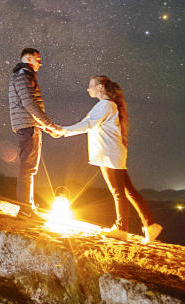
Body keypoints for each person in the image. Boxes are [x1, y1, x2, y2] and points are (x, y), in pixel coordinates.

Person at [55, 76, 163, 244]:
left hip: (110, 155)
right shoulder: (105, 105)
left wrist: (62, 131)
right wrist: (63, 131)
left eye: (90, 86)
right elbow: (86, 123)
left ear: (100, 87)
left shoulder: (105, 105)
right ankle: (150, 225)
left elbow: (88, 125)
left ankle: (122, 229)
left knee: (119, 192)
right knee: (128, 191)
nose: (88, 89)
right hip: (113, 153)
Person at [8, 48, 58, 219]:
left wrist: (43, 126)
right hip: (28, 127)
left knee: (29, 168)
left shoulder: (23, 75)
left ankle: (26, 207)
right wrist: (48, 124)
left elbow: (27, 103)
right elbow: (29, 102)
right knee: (28, 168)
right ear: (29, 59)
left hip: (29, 125)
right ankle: (25, 210)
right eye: (38, 59)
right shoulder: (24, 75)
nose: (40, 63)